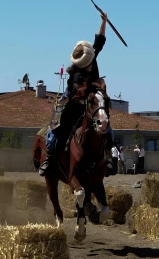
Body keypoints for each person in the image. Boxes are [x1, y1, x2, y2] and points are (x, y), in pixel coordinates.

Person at [39, 12, 109, 175]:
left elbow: (99, 41)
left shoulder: (92, 57)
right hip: (73, 100)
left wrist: (103, 22)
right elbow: (78, 94)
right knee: (56, 127)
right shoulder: (76, 75)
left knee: (107, 124)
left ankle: (108, 158)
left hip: (92, 100)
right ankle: (50, 158)